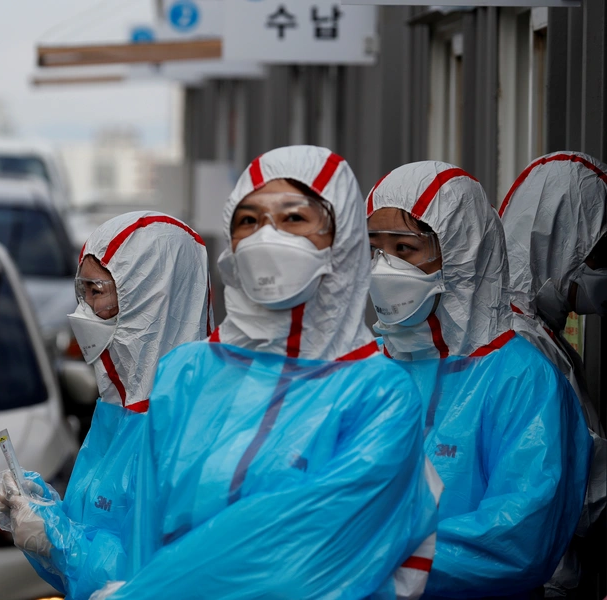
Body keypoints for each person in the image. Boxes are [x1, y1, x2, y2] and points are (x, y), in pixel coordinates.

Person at [93, 146, 441, 600]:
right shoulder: (186, 374)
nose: (266, 238)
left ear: (344, 239)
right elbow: (146, 532)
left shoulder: (378, 393)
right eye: (248, 221)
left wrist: (139, 595)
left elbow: (300, 561)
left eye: (293, 219)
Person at [366, 160, 591, 598]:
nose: (383, 268)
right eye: (375, 249)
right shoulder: (371, 370)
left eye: (405, 249)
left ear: (460, 254)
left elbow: (517, 539)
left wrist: (381, 562)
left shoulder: (520, 379)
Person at [0, 211, 212, 600]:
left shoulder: (195, 424)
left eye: (97, 292)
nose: (82, 311)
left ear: (150, 296)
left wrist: (59, 540)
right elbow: (80, 569)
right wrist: (41, 512)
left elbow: (153, 579)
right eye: (82, 293)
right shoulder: (116, 412)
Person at [499, 151, 607, 596]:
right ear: (559, 241)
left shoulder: (520, 327)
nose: (601, 273)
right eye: (598, 254)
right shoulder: (525, 343)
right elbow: (587, 492)